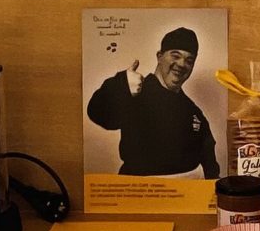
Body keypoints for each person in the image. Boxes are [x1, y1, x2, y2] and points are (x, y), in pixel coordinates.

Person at [86, 26, 221, 177]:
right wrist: (122, 84)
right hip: (136, 189)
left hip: (183, 190)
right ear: (159, 56)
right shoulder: (133, 93)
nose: (182, 64)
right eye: (175, 56)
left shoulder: (193, 112)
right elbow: (98, 113)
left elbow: (210, 167)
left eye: (189, 60)